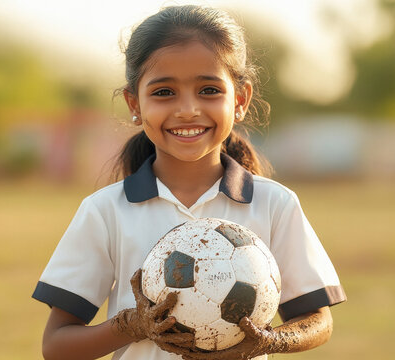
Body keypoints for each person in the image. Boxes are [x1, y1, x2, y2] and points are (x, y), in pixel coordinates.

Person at [32, 5, 346, 360]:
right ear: (134, 103)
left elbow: (318, 320)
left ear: (240, 100)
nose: (187, 110)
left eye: (209, 90)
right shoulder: (105, 212)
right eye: (164, 92)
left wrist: (268, 340)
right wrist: (132, 325)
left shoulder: (275, 204)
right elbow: (57, 345)